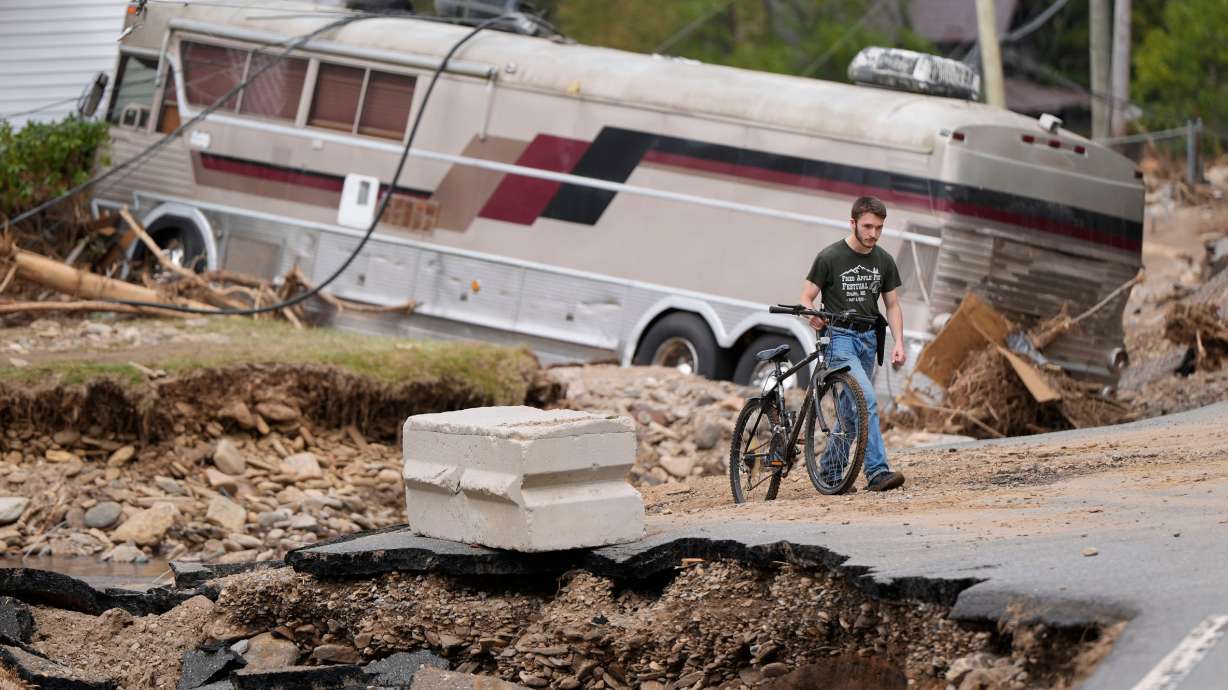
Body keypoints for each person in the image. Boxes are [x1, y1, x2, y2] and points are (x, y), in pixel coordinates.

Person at [799, 196, 907, 492]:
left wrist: (899, 342)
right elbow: (806, 296)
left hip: (869, 340)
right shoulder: (830, 257)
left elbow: (893, 305)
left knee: (849, 412)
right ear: (853, 223)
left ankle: (831, 473)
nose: (873, 234)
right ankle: (877, 472)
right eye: (868, 227)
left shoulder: (883, 260)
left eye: (879, 228)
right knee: (866, 398)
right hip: (839, 338)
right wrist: (812, 315)